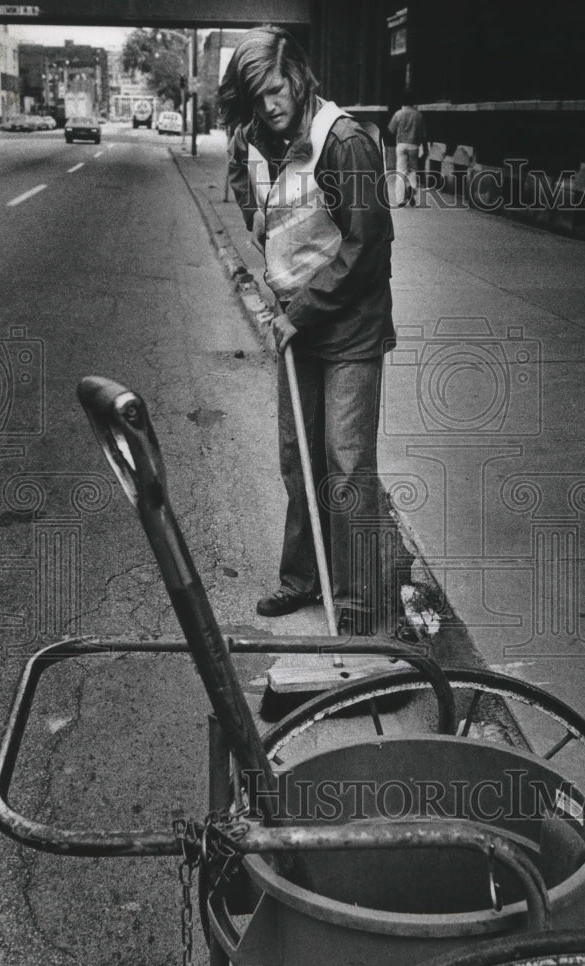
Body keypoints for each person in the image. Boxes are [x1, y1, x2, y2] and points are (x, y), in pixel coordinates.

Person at [220, 26, 396, 636]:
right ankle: (302, 579)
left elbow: (369, 244)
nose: (270, 105)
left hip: (348, 326)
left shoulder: (344, 141)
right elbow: (253, 204)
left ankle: (357, 610)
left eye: (276, 90)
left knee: (346, 467)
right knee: (300, 460)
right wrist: (279, 273)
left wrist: (301, 306)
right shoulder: (251, 141)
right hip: (299, 318)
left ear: (298, 76)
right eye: (256, 98)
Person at [387, 91, 426, 206]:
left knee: (401, 171)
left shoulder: (398, 114)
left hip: (401, 145)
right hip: (414, 145)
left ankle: (400, 199)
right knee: (413, 170)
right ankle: (412, 189)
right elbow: (423, 134)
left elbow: (390, 129)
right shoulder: (418, 115)